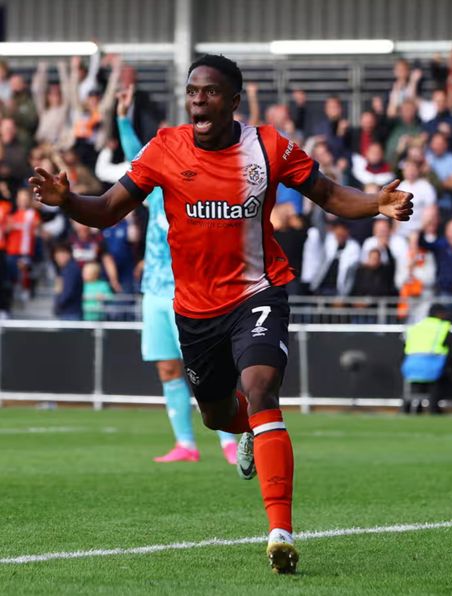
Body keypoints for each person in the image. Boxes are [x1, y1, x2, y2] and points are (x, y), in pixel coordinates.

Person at [29, 53, 413, 574]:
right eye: (192, 91)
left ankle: (280, 531)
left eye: (209, 91)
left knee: (260, 387)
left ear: (233, 101)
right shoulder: (164, 148)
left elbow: (325, 194)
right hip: (194, 310)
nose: (197, 100)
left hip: (258, 293)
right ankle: (248, 428)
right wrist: (68, 200)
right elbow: (107, 210)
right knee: (215, 413)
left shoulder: (269, 146)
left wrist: (376, 204)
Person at [116, 86, 238, 463]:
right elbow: (135, 153)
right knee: (168, 367)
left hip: (192, 290)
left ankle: (230, 441)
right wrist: (123, 118)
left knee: (210, 369)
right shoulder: (152, 191)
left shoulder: (195, 185)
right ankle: (185, 443)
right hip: (154, 291)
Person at [401, 304, 452, 414]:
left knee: (415, 386)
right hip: (432, 364)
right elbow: (450, 345)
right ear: (439, 314)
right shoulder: (442, 326)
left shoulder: (415, 326)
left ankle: (409, 408)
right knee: (436, 383)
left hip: (410, 365)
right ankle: (433, 409)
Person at [52, 242, 83, 321]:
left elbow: (67, 292)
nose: (58, 258)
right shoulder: (66, 269)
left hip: (71, 314)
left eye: (60, 254)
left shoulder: (70, 269)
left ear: (68, 254)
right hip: (69, 313)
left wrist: (58, 305)